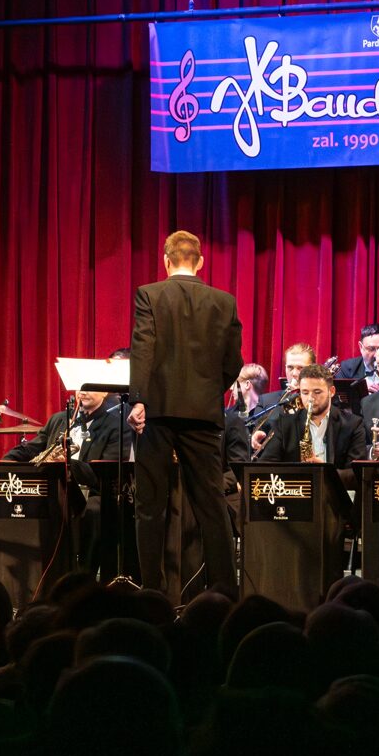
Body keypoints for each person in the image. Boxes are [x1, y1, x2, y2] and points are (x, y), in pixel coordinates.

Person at [128, 230, 243, 598]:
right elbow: (233, 362)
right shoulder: (224, 302)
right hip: (203, 415)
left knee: (150, 506)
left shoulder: (150, 294)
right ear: (200, 261)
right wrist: (209, 391)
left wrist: (138, 399)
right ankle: (224, 592)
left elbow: (143, 348)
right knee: (211, 505)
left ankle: (152, 592)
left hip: (157, 413)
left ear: (165, 260)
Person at [4, 382, 134, 579]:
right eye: (81, 386)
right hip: (56, 489)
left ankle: (84, 576)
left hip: (93, 493)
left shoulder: (117, 425)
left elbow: (105, 474)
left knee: (95, 510)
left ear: (105, 392)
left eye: (91, 387)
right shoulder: (59, 420)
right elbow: (32, 448)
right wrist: (7, 461)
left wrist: (68, 463)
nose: (84, 392)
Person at [255, 364, 368, 486]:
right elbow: (266, 467)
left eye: (317, 392)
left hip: (335, 494)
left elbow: (357, 474)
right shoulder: (284, 424)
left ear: (331, 391)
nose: (310, 398)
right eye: (305, 392)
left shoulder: (353, 424)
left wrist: (326, 472)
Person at [249, 343, 318, 452]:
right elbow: (256, 429)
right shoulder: (266, 400)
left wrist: (302, 395)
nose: (294, 373)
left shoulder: (321, 400)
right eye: (290, 367)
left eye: (301, 368)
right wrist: (255, 436)